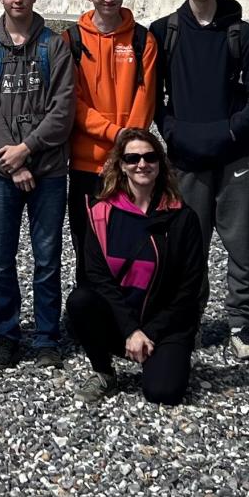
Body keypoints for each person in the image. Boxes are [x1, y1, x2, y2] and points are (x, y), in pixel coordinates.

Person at [150, 0, 249, 360]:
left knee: (241, 243)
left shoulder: (241, 33)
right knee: (189, 245)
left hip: (235, 155)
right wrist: (173, 132)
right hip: (185, 157)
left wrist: (232, 131)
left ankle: (241, 324)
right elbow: (155, 98)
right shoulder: (164, 32)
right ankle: (191, 320)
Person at [0, 0, 75, 369]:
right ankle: (6, 336)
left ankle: (47, 337)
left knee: (47, 257)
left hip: (49, 170)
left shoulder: (54, 46)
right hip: (1, 173)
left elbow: (63, 108)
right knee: (1, 259)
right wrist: (13, 162)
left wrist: (27, 149)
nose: (18, 0)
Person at [67, 129, 208, 405]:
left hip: (166, 324)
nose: (142, 164)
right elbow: (98, 278)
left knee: (163, 393)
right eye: (132, 158)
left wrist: (149, 333)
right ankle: (103, 371)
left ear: (160, 163)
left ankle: (163, 356)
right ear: (121, 165)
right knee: (80, 300)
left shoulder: (182, 217)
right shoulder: (101, 213)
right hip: (122, 321)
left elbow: (188, 289)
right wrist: (131, 330)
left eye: (149, 157)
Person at [64, 0, 157, 288]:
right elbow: (73, 102)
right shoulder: (72, 39)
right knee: (86, 243)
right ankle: (88, 307)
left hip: (129, 163)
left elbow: (146, 97)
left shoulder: (143, 39)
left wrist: (128, 146)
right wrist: (116, 134)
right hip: (85, 163)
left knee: (128, 242)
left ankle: (127, 308)